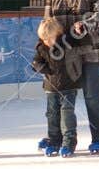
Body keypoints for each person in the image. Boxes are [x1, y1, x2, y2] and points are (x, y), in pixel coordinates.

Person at [45, 0, 99, 155]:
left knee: (91, 93)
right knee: (61, 95)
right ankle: (57, 137)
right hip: (65, 50)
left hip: (90, 48)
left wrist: (85, 24)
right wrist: (47, 39)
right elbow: (47, 17)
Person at [31, 16, 84, 157]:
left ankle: (69, 142)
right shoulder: (42, 47)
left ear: (58, 35)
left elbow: (77, 39)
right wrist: (39, 66)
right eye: (44, 39)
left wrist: (78, 31)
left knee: (66, 114)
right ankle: (54, 140)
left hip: (68, 86)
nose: (47, 42)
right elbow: (36, 61)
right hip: (51, 87)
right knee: (52, 115)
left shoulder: (66, 43)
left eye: (49, 38)